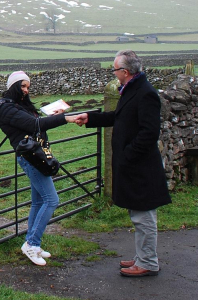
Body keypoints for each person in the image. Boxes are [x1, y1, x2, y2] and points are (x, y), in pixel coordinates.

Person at [72, 50, 171, 277]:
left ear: (125, 72)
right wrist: (90, 117)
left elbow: (149, 133)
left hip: (141, 167)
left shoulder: (145, 93)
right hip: (135, 166)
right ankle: (142, 257)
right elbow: (120, 116)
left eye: (115, 69)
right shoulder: (133, 89)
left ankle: (147, 262)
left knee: (144, 215)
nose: (114, 73)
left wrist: (127, 155)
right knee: (138, 214)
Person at [0, 71, 82, 266]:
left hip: (36, 154)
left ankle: (33, 244)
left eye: (28, 87)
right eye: (22, 86)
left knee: (38, 201)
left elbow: (36, 125)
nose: (26, 90)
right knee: (51, 200)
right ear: (13, 86)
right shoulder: (6, 109)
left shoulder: (17, 106)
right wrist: (67, 119)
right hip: (30, 156)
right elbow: (33, 124)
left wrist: (54, 116)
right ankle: (31, 243)